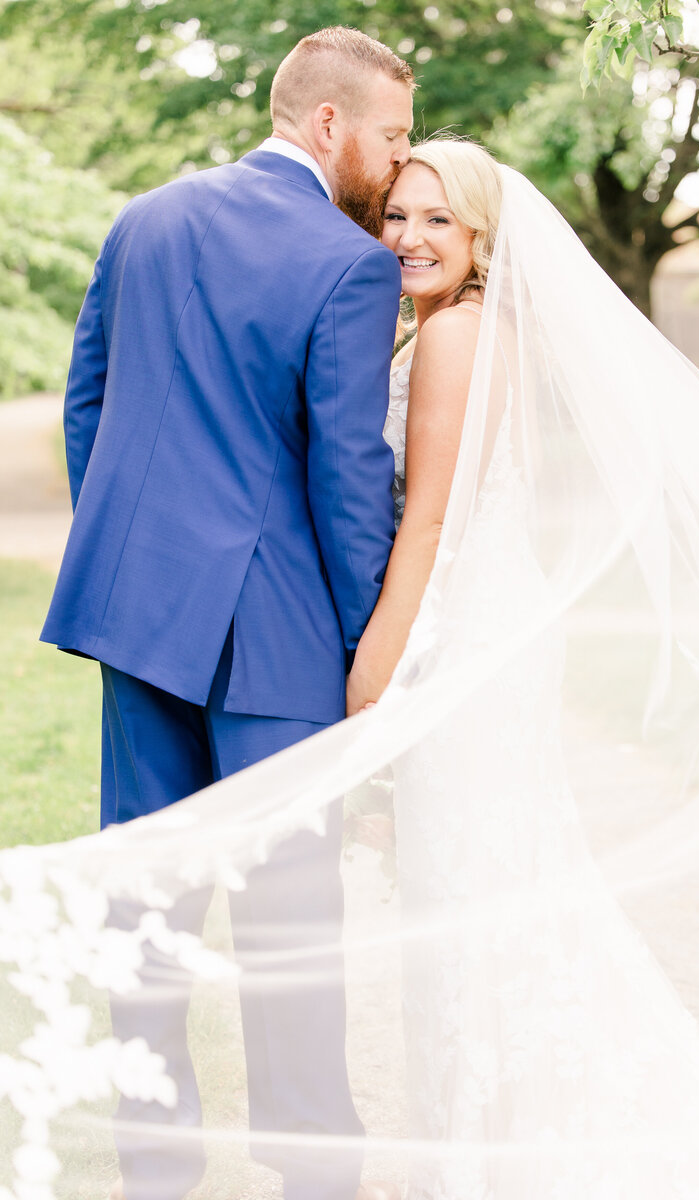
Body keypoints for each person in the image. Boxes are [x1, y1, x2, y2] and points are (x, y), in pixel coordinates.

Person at [348, 138, 699, 1197]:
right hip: (489, 631)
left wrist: (372, 674)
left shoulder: (454, 336)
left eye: (435, 222)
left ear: (479, 237)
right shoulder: (467, 327)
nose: (409, 238)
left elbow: (425, 532)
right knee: (488, 886)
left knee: (469, 891)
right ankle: (490, 1135)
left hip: (462, 644)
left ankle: (494, 1150)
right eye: (395, 217)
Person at [39, 25, 413, 1200]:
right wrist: (370, 648)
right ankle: (311, 1169)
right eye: (393, 137)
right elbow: (347, 478)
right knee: (289, 925)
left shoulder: (144, 217)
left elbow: (88, 401)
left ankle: (153, 1168)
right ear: (329, 125)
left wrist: (137, 561)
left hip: (136, 622)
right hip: (279, 645)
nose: (399, 167)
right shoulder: (347, 264)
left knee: (142, 908)